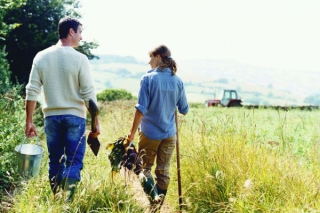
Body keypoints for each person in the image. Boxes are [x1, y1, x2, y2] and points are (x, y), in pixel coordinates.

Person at [25, 16, 100, 201]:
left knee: (55, 161)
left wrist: (29, 121)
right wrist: (95, 121)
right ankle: (67, 202)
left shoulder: (41, 56)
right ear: (71, 31)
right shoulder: (80, 59)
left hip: (51, 118)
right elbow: (88, 94)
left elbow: (32, 89)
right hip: (75, 117)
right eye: (80, 32)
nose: (81, 37)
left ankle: (57, 201)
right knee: (74, 161)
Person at [128, 45, 189, 211]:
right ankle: (157, 207)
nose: (149, 61)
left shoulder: (148, 79)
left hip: (149, 133)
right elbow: (184, 109)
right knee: (163, 171)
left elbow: (141, 109)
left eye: (151, 57)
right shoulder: (178, 81)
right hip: (169, 134)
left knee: (143, 169)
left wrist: (131, 133)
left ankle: (153, 201)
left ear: (159, 56)